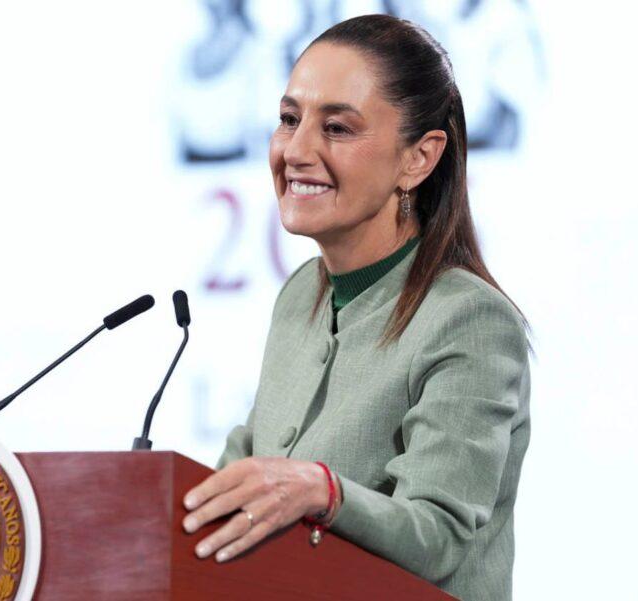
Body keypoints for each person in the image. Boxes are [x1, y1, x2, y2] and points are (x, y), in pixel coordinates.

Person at [180, 14, 532, 601]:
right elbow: (238, 475)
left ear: (419, 158)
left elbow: (438, 536)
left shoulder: (470, 320)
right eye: (288, 120)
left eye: (337, 128)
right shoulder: (301, 295)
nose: (296, 150)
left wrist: (323, 492)